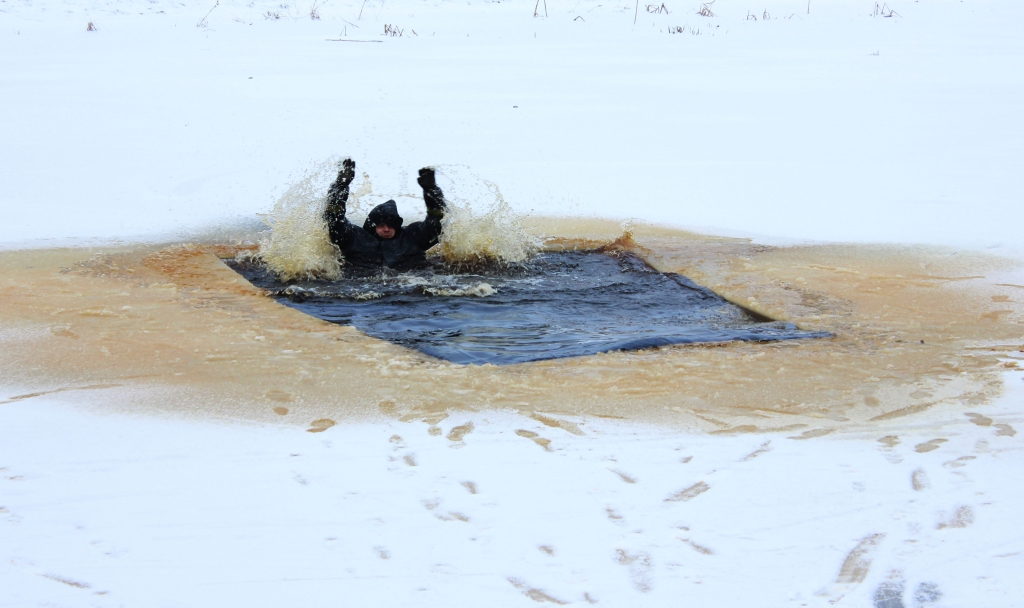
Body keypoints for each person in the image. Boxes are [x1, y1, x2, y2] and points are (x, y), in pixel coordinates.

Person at [324, 158, 447, 270]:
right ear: (373, 226)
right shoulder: (355, 238)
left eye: (390, 225)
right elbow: (335, 220)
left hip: (409, 285)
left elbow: (435, 223)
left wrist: (431, 191)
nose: (386, 229)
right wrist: (341, 184)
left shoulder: (412, 238)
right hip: (361, 285)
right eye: (381, 225)